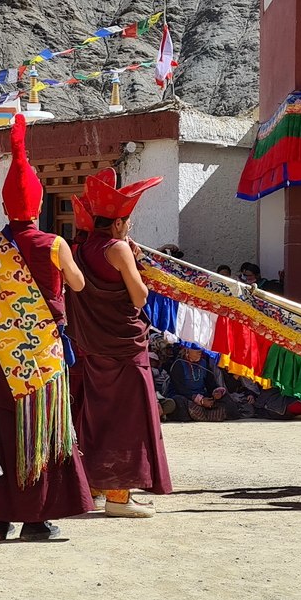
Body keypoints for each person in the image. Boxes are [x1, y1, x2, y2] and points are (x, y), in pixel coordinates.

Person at [0, 116, 94, 541]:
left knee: (4, 431)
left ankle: (1, 518)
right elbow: (78, 284)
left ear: (5, 207)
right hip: (41, 353)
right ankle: (36, 519)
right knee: (43, 429)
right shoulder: (52, 245)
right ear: (38, 207)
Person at [66, 168, 173, 518]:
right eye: (127, 222)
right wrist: (135, 260)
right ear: (116, 224)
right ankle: (119, 495)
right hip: (124, 345)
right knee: (128, 416)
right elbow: (139, 297)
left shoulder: (78, 249)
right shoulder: (117, 248)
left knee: (97, 414)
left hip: (92, 344)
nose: (128, 228)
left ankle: (96, 486)